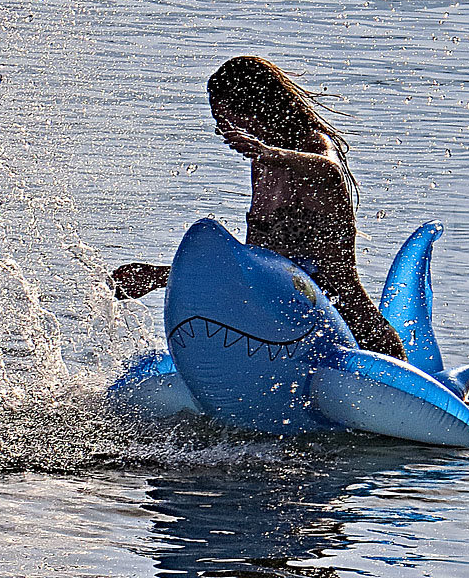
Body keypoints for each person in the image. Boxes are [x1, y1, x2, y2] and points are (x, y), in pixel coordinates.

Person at [111, 56, 406, 360]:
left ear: (258, 108)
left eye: (227, 121)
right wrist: (160, 277)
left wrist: (270, 153)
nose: (222, 131)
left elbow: (329, 170)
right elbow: (255, 268)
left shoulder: (312, 147)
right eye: (217, 123)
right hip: (290, 337)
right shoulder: (262, 168)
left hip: (356, 335)